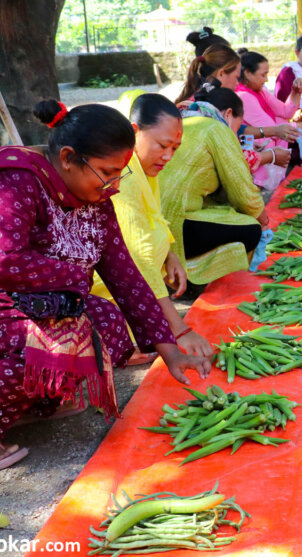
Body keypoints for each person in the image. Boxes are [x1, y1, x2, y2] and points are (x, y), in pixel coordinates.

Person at [0, 100, 211, 472]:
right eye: (106, 173)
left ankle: (31, 402)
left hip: (27, 305)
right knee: (58, 340)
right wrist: (75, 277)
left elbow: (125, 276)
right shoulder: (13, 181)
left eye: (120, 174)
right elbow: (1, 262)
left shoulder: (96, 196)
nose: (114, 185)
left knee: (108, 325)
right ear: (68, 158)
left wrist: (171, 352)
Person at [91, 93, 215, 362]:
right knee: (140, 337)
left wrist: (169, 255)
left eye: (175, 148)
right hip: (104, 290)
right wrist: (180, 330)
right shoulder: (122, 174)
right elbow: (138, 257)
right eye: (162, 145)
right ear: (134, 132)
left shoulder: (144, 168)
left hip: (136, 282)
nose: (168, 156)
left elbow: (154, 218)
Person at [159, 87, 268, 287]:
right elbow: (243, 192)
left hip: (155, 222)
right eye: (237, 126)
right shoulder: (217, 129)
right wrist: (264, 221)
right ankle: (192, 276)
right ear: (228, 114)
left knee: (225, 212)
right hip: (176, 223)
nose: (235, 133)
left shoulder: (184, 120)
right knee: (251, 229)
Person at [175, 44, 301, 148]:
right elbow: (226, 149)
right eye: (236, 77)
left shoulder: (206, 100)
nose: (237, 84)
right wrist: (268, 156)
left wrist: (248, 144)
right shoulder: (208, 106)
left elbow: (236, 133)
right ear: (221, 74)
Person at [235, 49, 302, 188]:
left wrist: (296, 91)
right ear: (248, 73)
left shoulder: (260, 91)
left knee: (281, 124)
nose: (266, 79)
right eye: (263, 74)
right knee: (270, 137)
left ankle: (268, 179)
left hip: (257, 136)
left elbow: (286, 112)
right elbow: (273, 128)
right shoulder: (243, 96)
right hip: (245, 143)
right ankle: (258, 181)